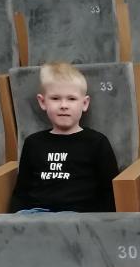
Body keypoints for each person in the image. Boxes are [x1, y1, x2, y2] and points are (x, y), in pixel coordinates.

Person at [10, 61, 119, 213]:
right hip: (36, 216)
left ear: (84, 103)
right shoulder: (33, 143)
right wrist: (13, 221)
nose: (63, 105)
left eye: (71, 99)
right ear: (42, 102)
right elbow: (21, 192)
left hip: (80, 217)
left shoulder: (97, 142)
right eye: (55, 98)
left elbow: (109, 192)